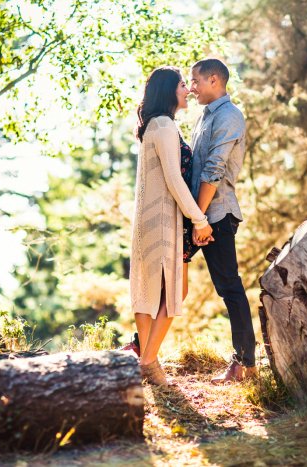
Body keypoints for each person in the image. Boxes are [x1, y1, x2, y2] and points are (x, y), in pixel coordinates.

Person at [129, 66, 214, 386]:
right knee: (173, 291)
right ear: (168, 91)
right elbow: (174, 180)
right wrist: (200, 219)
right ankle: (149, 362)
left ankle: (147, 360)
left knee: (151, 292)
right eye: (183, 85)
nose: (189, 89)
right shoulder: (163, 125)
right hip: (164, 220)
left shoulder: (155, 125)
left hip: (152, 219)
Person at [187, 58, 257, 384]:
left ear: (215, 80)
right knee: (166, 273)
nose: (191, 87)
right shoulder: (205, 116)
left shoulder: (230, 116)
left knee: (230, 287)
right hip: (198, 214)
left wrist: (199, 218)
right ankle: (144, 346)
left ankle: (245, 364)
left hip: (216, 215)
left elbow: (214, 169)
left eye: (196, 81)